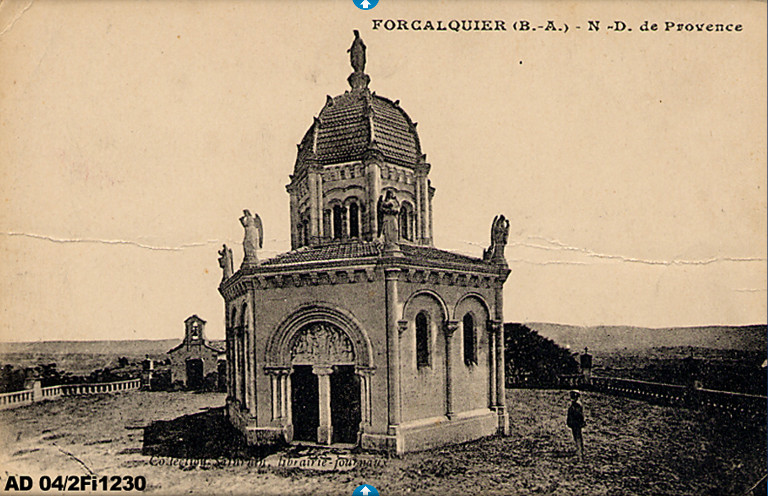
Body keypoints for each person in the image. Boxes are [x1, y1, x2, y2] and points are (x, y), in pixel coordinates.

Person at [566, 390, 585, 461]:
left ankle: (580, 455)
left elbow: (579, 415)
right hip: (574, 424)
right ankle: (579, 452)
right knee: (577, 438)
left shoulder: (577, 405)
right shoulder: (575, 405)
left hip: (576, 424)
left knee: (578, 438)